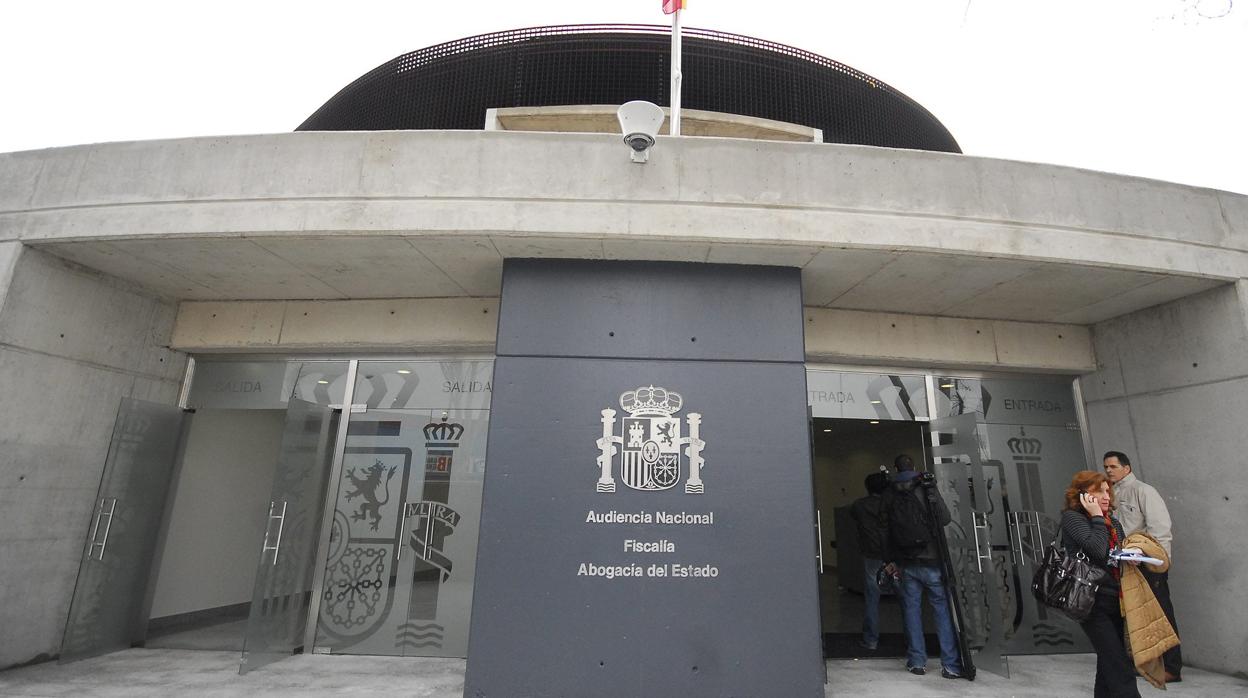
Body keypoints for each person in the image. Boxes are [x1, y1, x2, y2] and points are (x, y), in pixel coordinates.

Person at [881, 454, 963, 679]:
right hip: (933, 559)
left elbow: (885, 530)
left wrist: (889, 560)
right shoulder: (927, 487)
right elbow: (945, 518)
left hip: (906, 561)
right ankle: (951, 665)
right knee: (942, 611)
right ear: (914, 466)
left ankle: (917, 661)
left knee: (911, 610)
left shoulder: (889, 493)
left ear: (895, 469)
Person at [1103, 450, 1182, 683]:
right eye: (1106, 467)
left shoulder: (1144, 491)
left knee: (1160, 614)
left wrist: (1159, 561)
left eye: (1113, 466)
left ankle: (1171, 666)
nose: (1108, 470)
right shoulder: (1112, 493)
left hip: (1147, 563)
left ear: (1126, 468)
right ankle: (1143, 663)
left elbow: (1160, 528)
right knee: (1135, 617)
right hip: (1124, 564)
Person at [1061, 470, 1140, 698]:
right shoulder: (1073, 518)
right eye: (1099, 491)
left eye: (1108, 490)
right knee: (1119, 666)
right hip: (1090, 601)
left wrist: (1131, 555)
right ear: (1083, 495)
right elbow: (1097, 550)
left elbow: (1114, 554)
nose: (1106, 496)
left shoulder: (1112, 521)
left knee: (1109, 662)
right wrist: (1096, 515)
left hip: (1116, 597)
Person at [849, 471, 892, 651]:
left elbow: (853, 516)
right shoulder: (892, 504)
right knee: (907, 599)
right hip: (894, 556)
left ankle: (871, 640)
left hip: (872, 555)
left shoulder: (859, 506)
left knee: (872, 599)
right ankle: (912, 640)